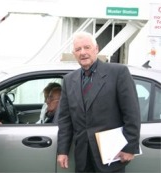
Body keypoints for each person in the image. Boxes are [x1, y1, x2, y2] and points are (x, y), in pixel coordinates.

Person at [57, 31, 141, 173]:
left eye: (87, 47)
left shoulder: (118, 73)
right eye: (78, 49)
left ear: (96, 49)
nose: (83, 52)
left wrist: (129, 147)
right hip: (83, 157)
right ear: (74, 53)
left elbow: (132, 113)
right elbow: (65, 119)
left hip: (112, 155)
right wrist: (62, 151)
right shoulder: (69, 80)